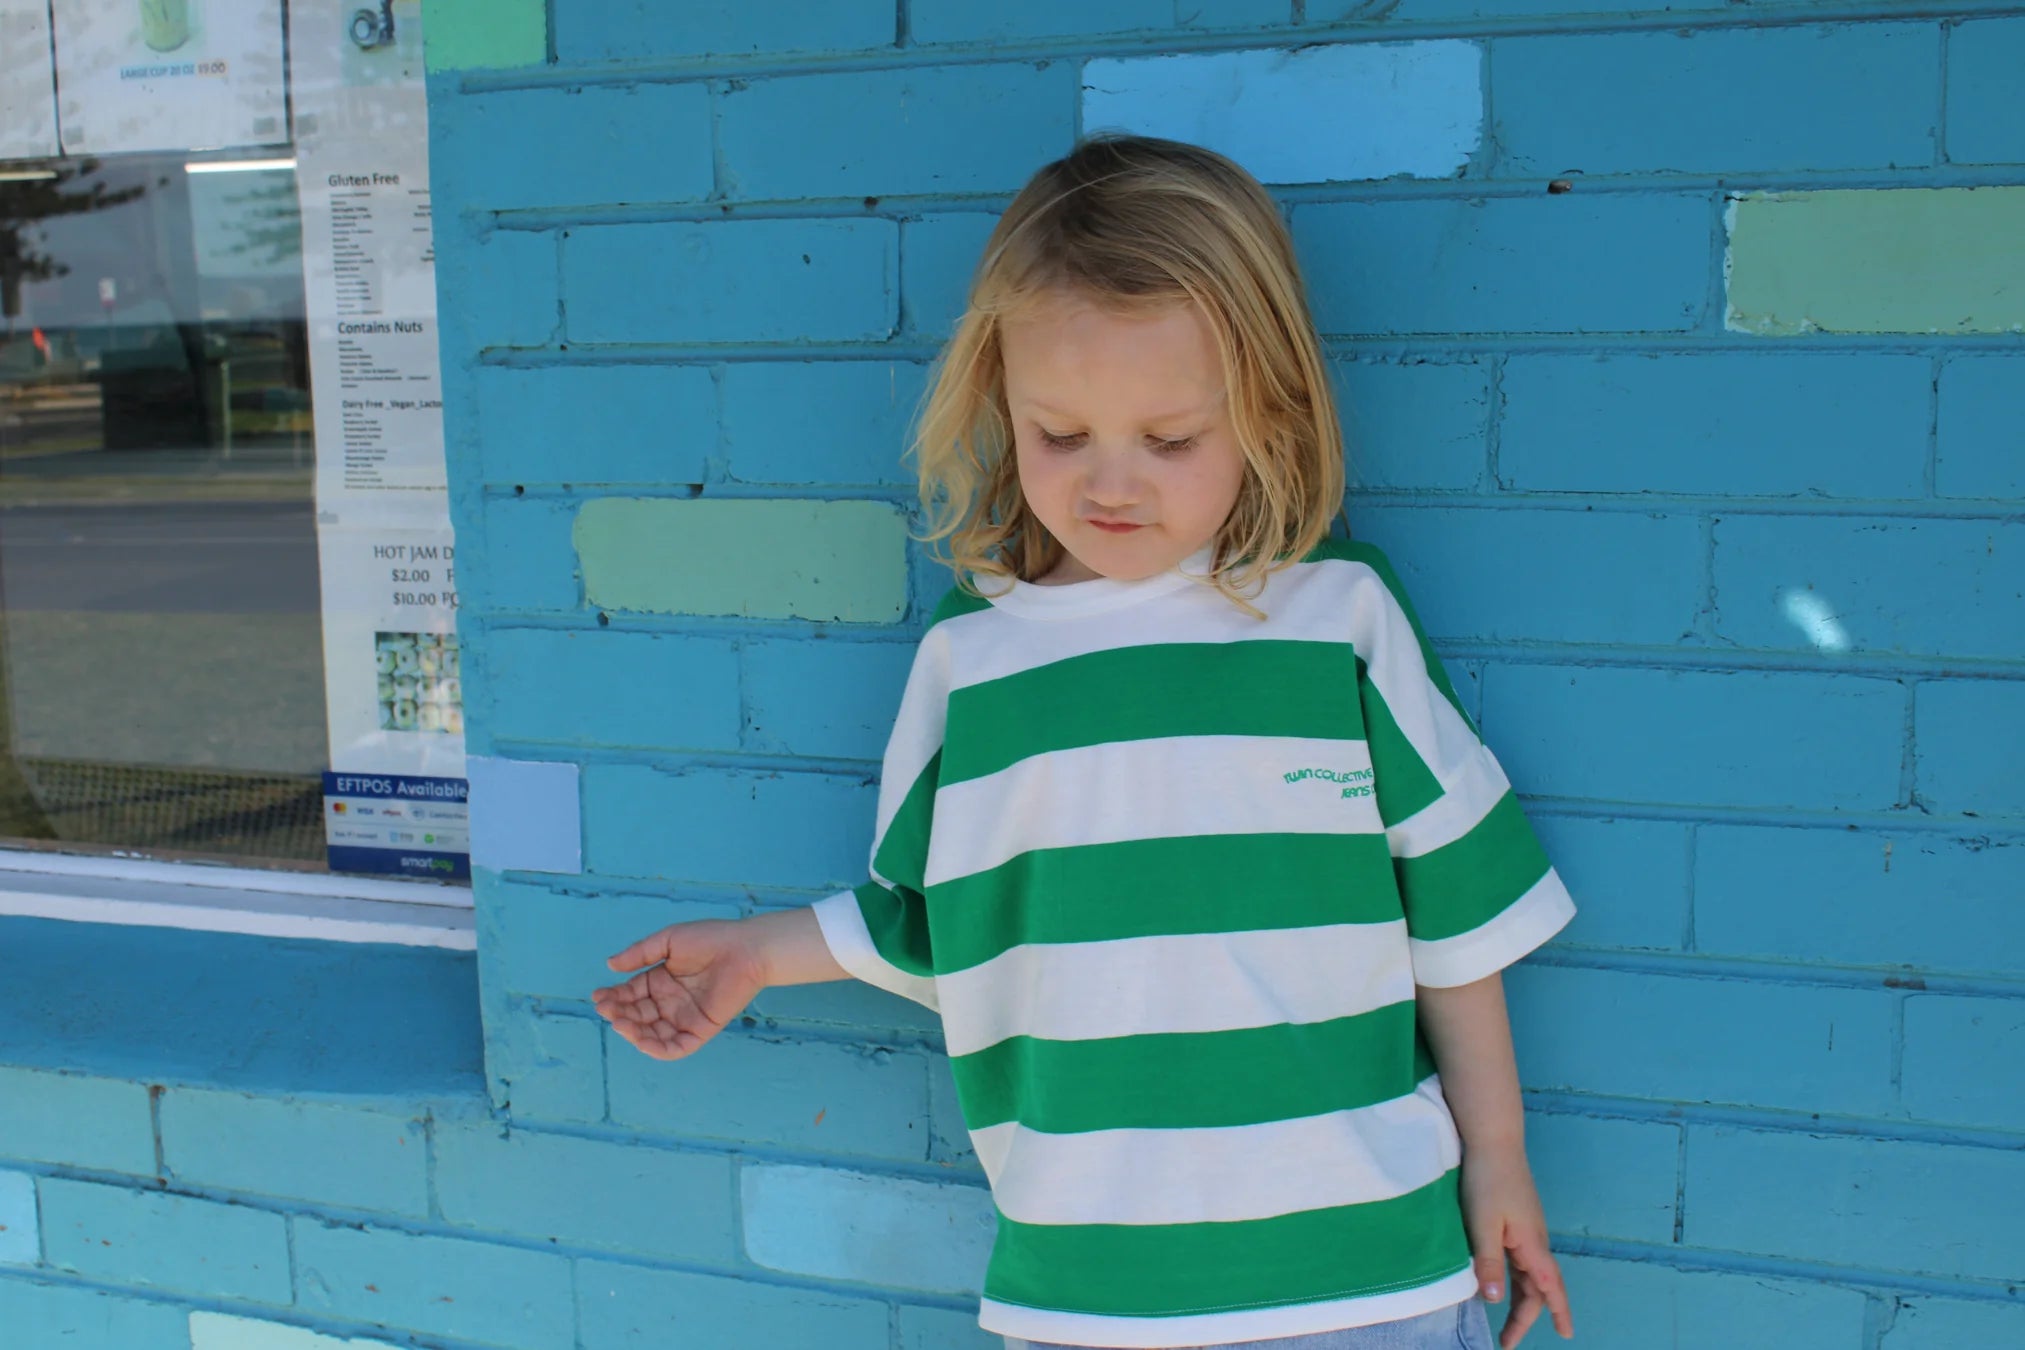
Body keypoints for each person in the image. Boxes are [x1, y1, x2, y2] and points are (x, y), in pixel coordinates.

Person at [592, 134, 1579, 1350]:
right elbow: (930, 921)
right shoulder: (977, 663)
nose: (1113, 486)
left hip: (1373, 1278)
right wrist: (751, 953)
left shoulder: (1339, 622)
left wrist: (1500, 1159)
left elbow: (1458, 918)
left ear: (1267, 411)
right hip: (1090, 1303)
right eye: (1062, 434)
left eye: (1170, 441)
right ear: (1001, 404)